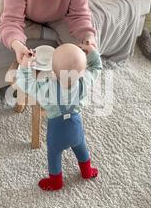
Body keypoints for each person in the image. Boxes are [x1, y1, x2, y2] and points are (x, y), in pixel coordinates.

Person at [16, 43, 102, 191]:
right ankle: (87, 171)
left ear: (52, 73)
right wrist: (92, 52)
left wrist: (25, 64)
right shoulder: (84, 82)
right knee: (81, 147)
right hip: (76, 128)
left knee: (54, 154)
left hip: (57, 132)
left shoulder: (46, 89)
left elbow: (26, 83)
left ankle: (56, 182)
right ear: (81, 73)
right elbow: (96, 68)